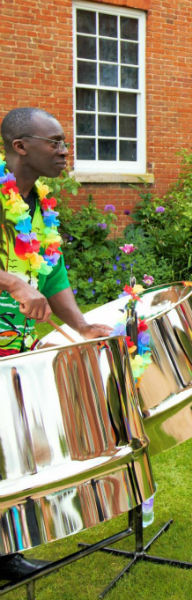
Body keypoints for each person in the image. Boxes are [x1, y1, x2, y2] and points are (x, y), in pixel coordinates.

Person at [0, 107, 112, 578]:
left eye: (65, 142)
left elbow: (53, 273)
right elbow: (25, 281)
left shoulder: (40, 205)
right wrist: (12, 283)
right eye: (56, 142)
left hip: (13, 343)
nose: (66, 151)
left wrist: (82, 326)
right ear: (20, 146)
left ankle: (4, 554)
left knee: (10, 448)